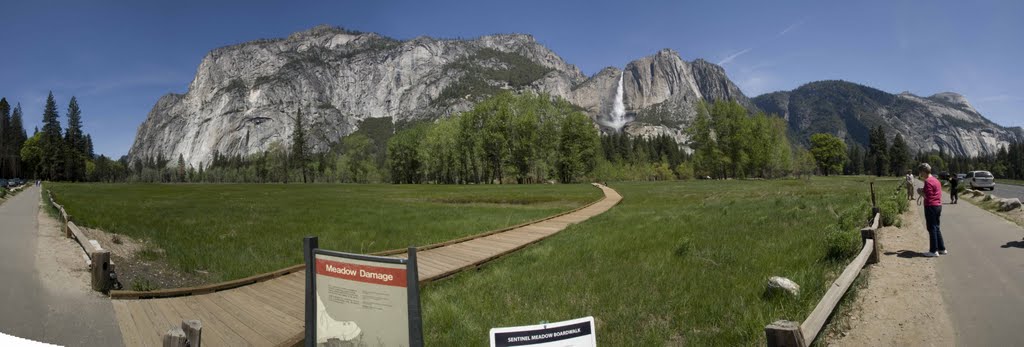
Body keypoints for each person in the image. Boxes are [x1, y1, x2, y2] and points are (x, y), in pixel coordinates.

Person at [917, 163, 947, 257]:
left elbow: (928, 196)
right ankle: (942, 248)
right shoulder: (935, 180)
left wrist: (920, 193)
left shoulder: (928, 181)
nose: (921, 175)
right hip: (938, 205)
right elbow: (934, 192)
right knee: (936, 227)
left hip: (930, 206)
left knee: (931, 228)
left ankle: (933, 250)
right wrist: (923, 190)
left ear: (923, 171)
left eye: (921, 172)